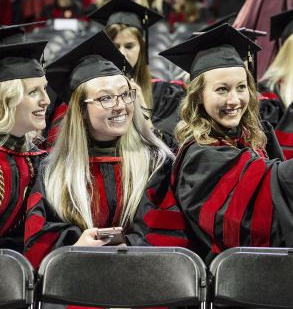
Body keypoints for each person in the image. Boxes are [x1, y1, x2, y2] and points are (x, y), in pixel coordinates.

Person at [23, 31, 187, 270]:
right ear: (80, 110)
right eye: (105, 98)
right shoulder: (54, 171)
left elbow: (170, 235)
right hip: (77, 283)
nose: (120, 105)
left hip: (144, 282)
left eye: (125, 94)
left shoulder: (156, 163)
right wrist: (75, 247)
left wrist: (122, 249)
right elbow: (38, 241)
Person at [160, 23, 293, 262]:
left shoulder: (249, 139)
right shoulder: (199, 157)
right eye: (222, 90)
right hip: (232, 287)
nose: (234, 100)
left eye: (241, 87)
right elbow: (269, 199)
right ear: (199, 97)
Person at [88, 0, 185, 135]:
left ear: (141, 48)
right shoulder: (91, 92)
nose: (122, 53)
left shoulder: (165, 94)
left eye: (129, 46)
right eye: (115, 46)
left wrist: (142, 109)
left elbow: (169, 150)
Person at [0, 40, 50, 252]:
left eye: (45, 89)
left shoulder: (38, 161)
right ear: (6, 99)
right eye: (33, 92)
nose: (46, 100)